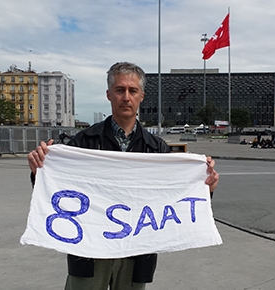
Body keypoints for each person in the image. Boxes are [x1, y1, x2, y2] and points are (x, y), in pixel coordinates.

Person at [27, 62, 220, 290]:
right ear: (109, 95)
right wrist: (39, 170)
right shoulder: (82, 143)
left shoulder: (157, 150)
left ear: (141, 96)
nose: (126, 97)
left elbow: (177, 200)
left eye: (132, 91)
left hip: (136, 254)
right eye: (120, 90)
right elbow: (55, 192)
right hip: (89, 252)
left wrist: (206, 188)